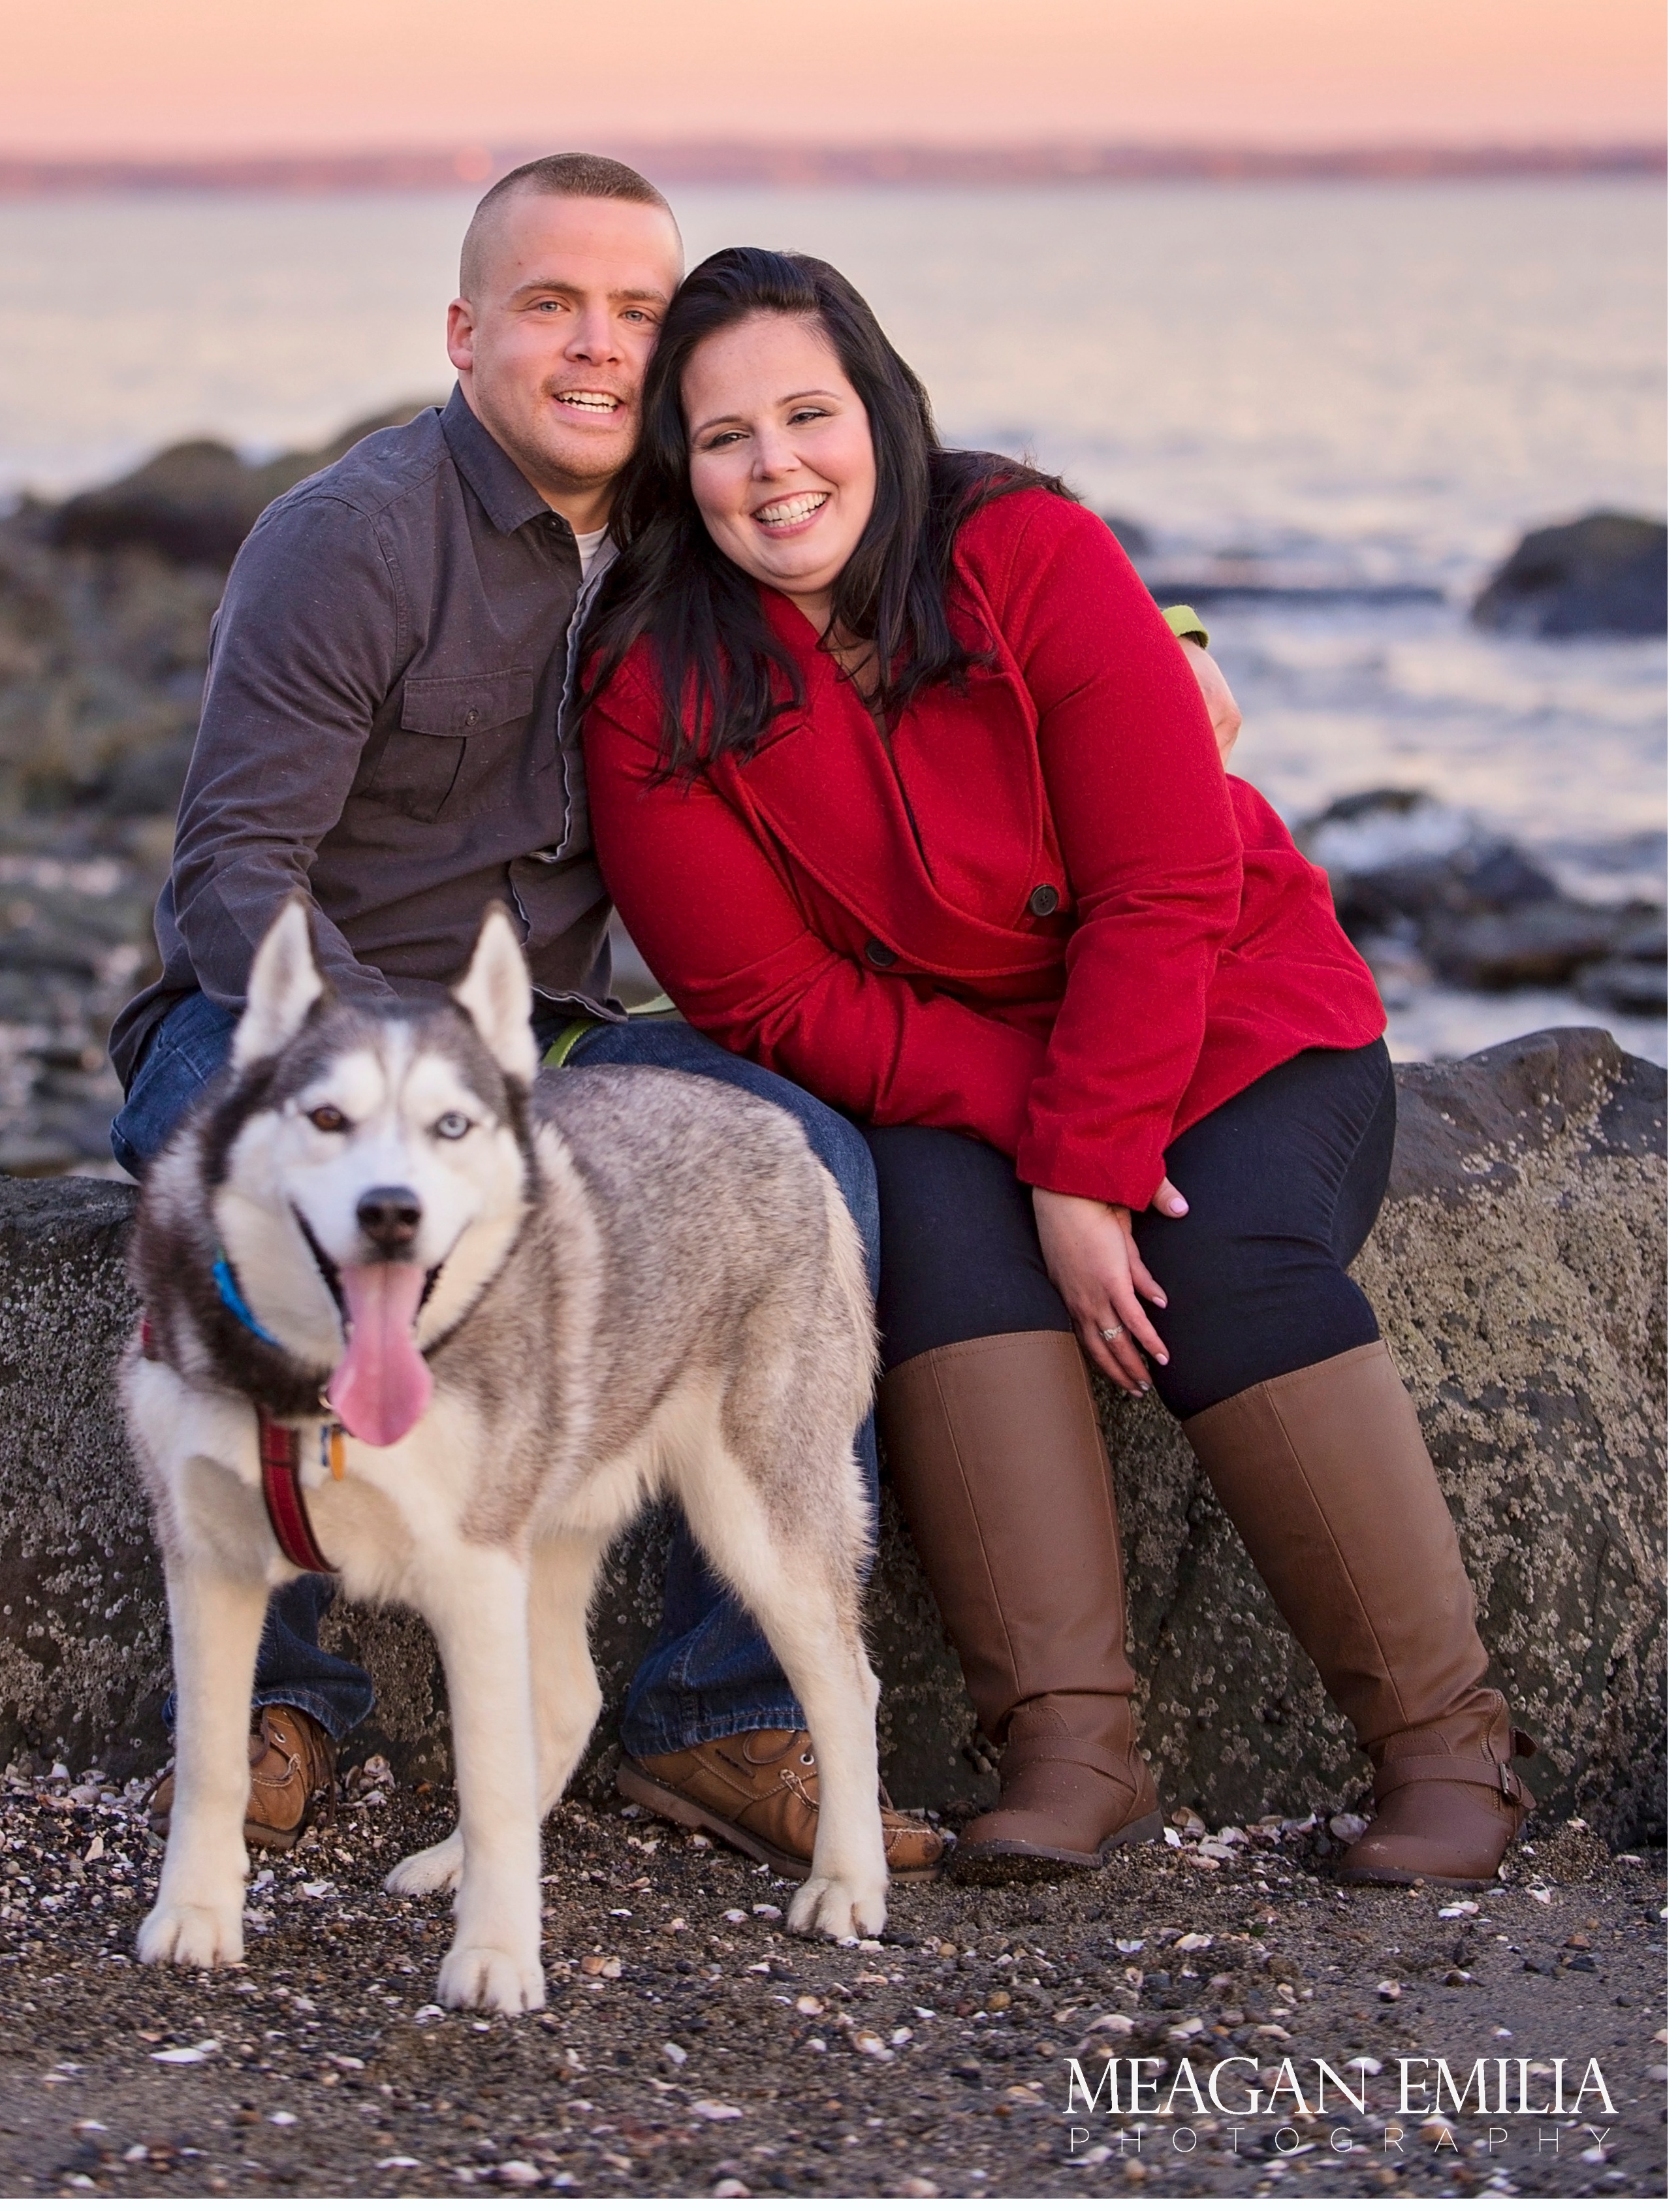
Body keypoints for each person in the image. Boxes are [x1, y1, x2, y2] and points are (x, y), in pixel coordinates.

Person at [580, 245, 1536, 1889]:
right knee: (929, 1236)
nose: (774, 465)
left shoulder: (1026, 548)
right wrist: (1052, 1144)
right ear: (678, 466)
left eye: (808, 413)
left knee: (1218, 1250)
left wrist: (1098, 1166)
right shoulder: (651, 682)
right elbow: (773, 997)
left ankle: (1448, 1751)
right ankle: (1073, 1750)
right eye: (723, 436)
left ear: (877, 406)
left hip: (1233, 1010)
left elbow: (1166, 884)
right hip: (951, 1064)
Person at [108, 155, 960, 1876]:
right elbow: (231, 878)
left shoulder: (695, 520)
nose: (595, 348)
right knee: (210, 1192)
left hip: (555, 1045)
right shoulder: (345, 542)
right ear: (464, 331)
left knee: (811, 1165)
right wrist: (389, 1081)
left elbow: (923, 513)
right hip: (286, 1029)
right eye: (551, 306)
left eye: (636, 313)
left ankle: (716, 1721)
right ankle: (279, 1696)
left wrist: (1165, 624)